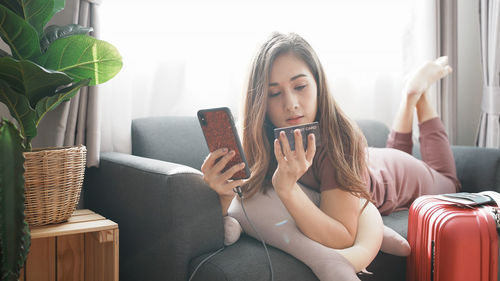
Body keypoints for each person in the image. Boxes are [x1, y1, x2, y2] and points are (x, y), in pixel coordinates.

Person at [201, 32, 460, 280]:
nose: (291, 103)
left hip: (397, 175)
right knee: (395, 151)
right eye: (275, 93)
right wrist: (222, 195)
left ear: (318, 85)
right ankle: (409, 97)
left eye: (300, 86)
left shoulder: (341, 138)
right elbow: (241, 211)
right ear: (260, 101)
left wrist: (287, 189)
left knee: (448, 182)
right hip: (371, 161)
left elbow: (342, 237)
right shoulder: (257, 141)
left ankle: (416, 94)